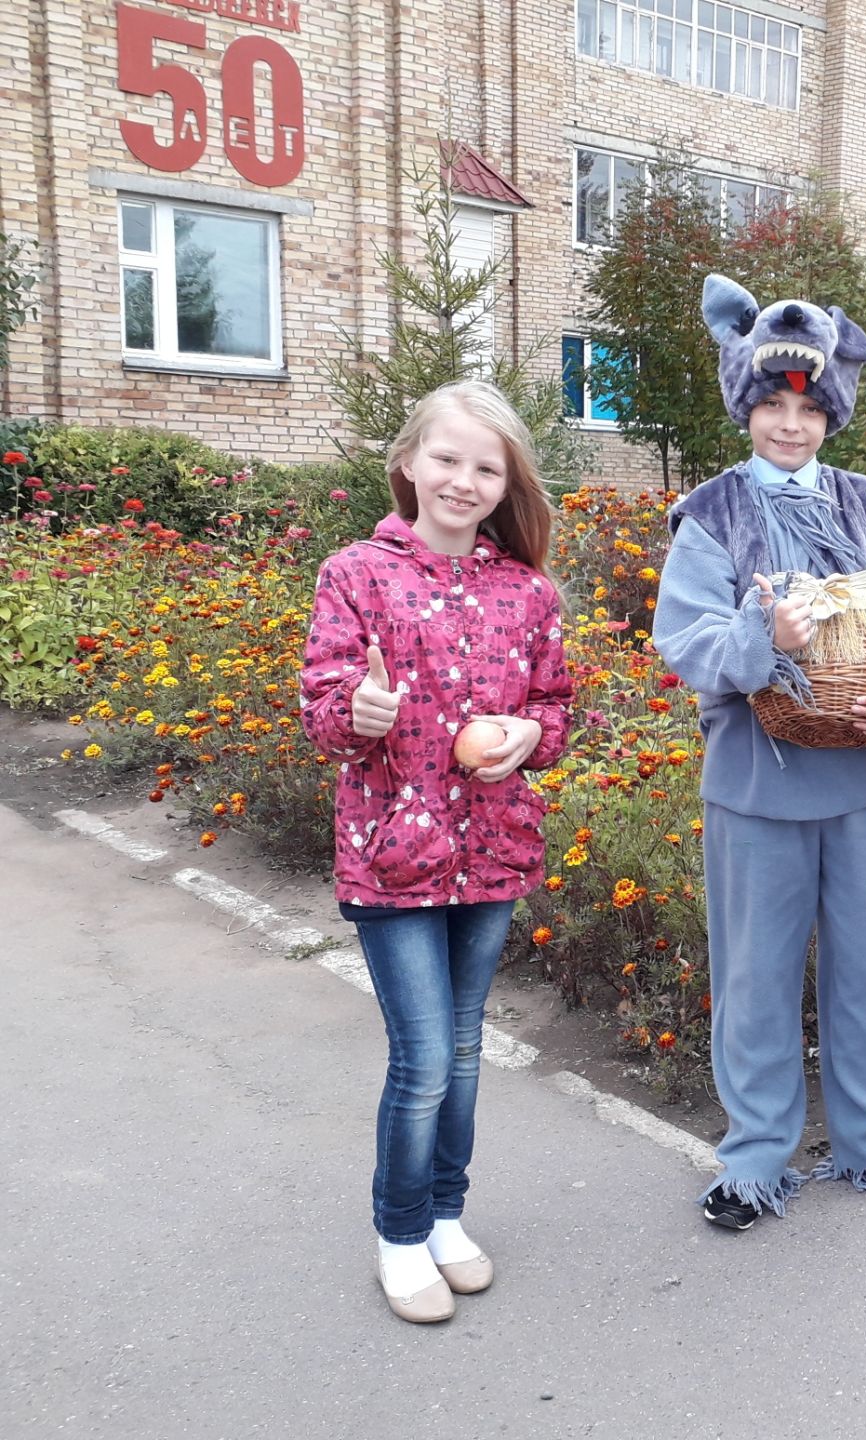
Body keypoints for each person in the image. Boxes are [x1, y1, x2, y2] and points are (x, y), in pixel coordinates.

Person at [653, 274, 866, 1231]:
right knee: (754, 974)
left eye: (808, 407)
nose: (790, 425)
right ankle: (756, 1155)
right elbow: (686, 640)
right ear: (746, 405)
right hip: (758, 786)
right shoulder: (711, 516)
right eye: (771, 403)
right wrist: (771, 645)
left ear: (831, 412)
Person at [300, 380, 573, 1322]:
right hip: (392, 854)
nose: (464, 479)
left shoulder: (526, 590)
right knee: (421, 1056)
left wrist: (533, 736)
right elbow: (325, 714)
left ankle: (449, 1215)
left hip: (492, 848)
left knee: (463, 1048)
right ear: (410, 462)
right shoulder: (357, 574)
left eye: (485, 467)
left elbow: (555, 706)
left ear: (507, 483)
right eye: (447, 459)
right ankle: (400, 1232)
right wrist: (357, 711)